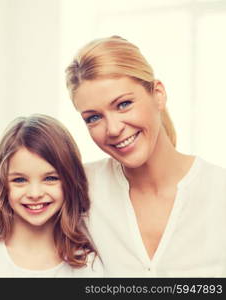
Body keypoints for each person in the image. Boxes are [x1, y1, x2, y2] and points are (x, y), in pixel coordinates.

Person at [65, 35, 226, 277]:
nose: (114, 129)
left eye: (123, 104)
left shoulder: (218, 191)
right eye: (94, 118)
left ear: (158, 94)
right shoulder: (80, 189)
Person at [0, 114, 103, 277]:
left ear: (70, 181)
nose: (35, 194)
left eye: (50, 178)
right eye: (20, 180)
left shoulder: (87, 265)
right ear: (2, 184)